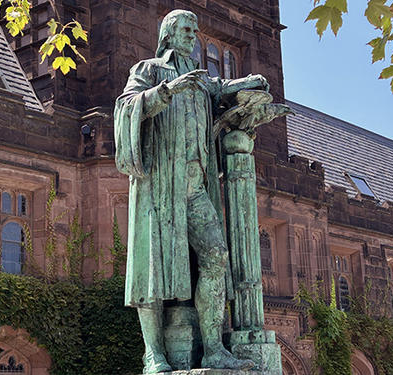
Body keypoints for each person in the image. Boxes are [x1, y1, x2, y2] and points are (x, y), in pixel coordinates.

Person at [114, 9, 268, 374]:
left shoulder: (202, 81)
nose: (192, 35)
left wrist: (248, 82)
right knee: (151, 269)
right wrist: (165, 92)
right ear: (168, 34)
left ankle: (214, 348)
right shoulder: (149, 69)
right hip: (159, 184)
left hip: (196, 186)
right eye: (185, 29)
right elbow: (124, 108)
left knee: (216, 257)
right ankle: (154, 354)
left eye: (195, 30)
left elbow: (221, 92)